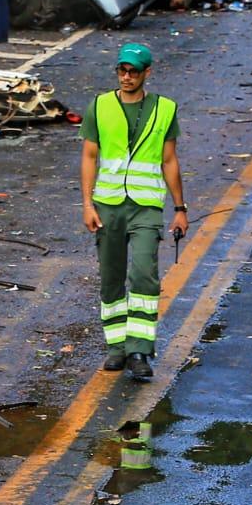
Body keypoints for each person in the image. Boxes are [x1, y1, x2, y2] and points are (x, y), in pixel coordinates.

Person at [80, 44, 187, 381]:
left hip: (146, 206)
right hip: (108, 204)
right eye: (122, 70)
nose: (127, 77)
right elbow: (89, 157)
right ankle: (117, 347)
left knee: (143, 274)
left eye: (134, 71)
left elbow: (169, 161)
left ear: (147, 74)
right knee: (111, 277)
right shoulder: (99, 106)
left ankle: (139, 349)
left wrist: (180, 208)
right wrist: (86, 203)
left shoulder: (165, 109)